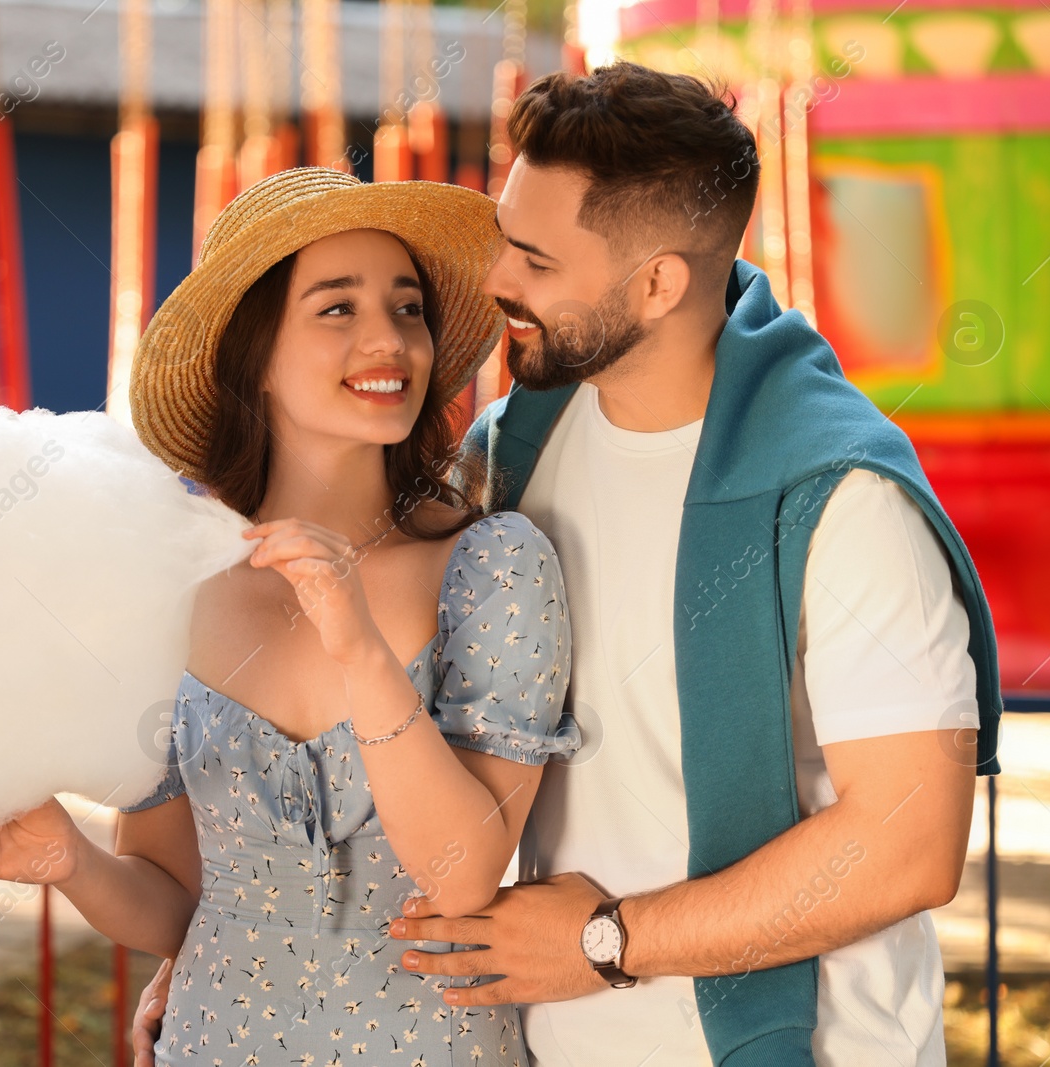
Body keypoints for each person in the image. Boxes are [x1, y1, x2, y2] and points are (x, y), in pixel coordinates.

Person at [138, 64, 1004, 1066]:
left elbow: (908, 844)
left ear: (657, 283)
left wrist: (609, 941)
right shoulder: (516, 450)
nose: (497, 280)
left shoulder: (842, 502)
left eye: (535, 260)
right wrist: (228, 950)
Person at [0, 166, 581, 1065]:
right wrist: (74, 863)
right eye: (337, 309)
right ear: (257, 357)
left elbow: (464, 872)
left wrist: (359, 648)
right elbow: (175, 901)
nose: (388, 340)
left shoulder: (490, 566)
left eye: (408, 309)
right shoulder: (177, 587)